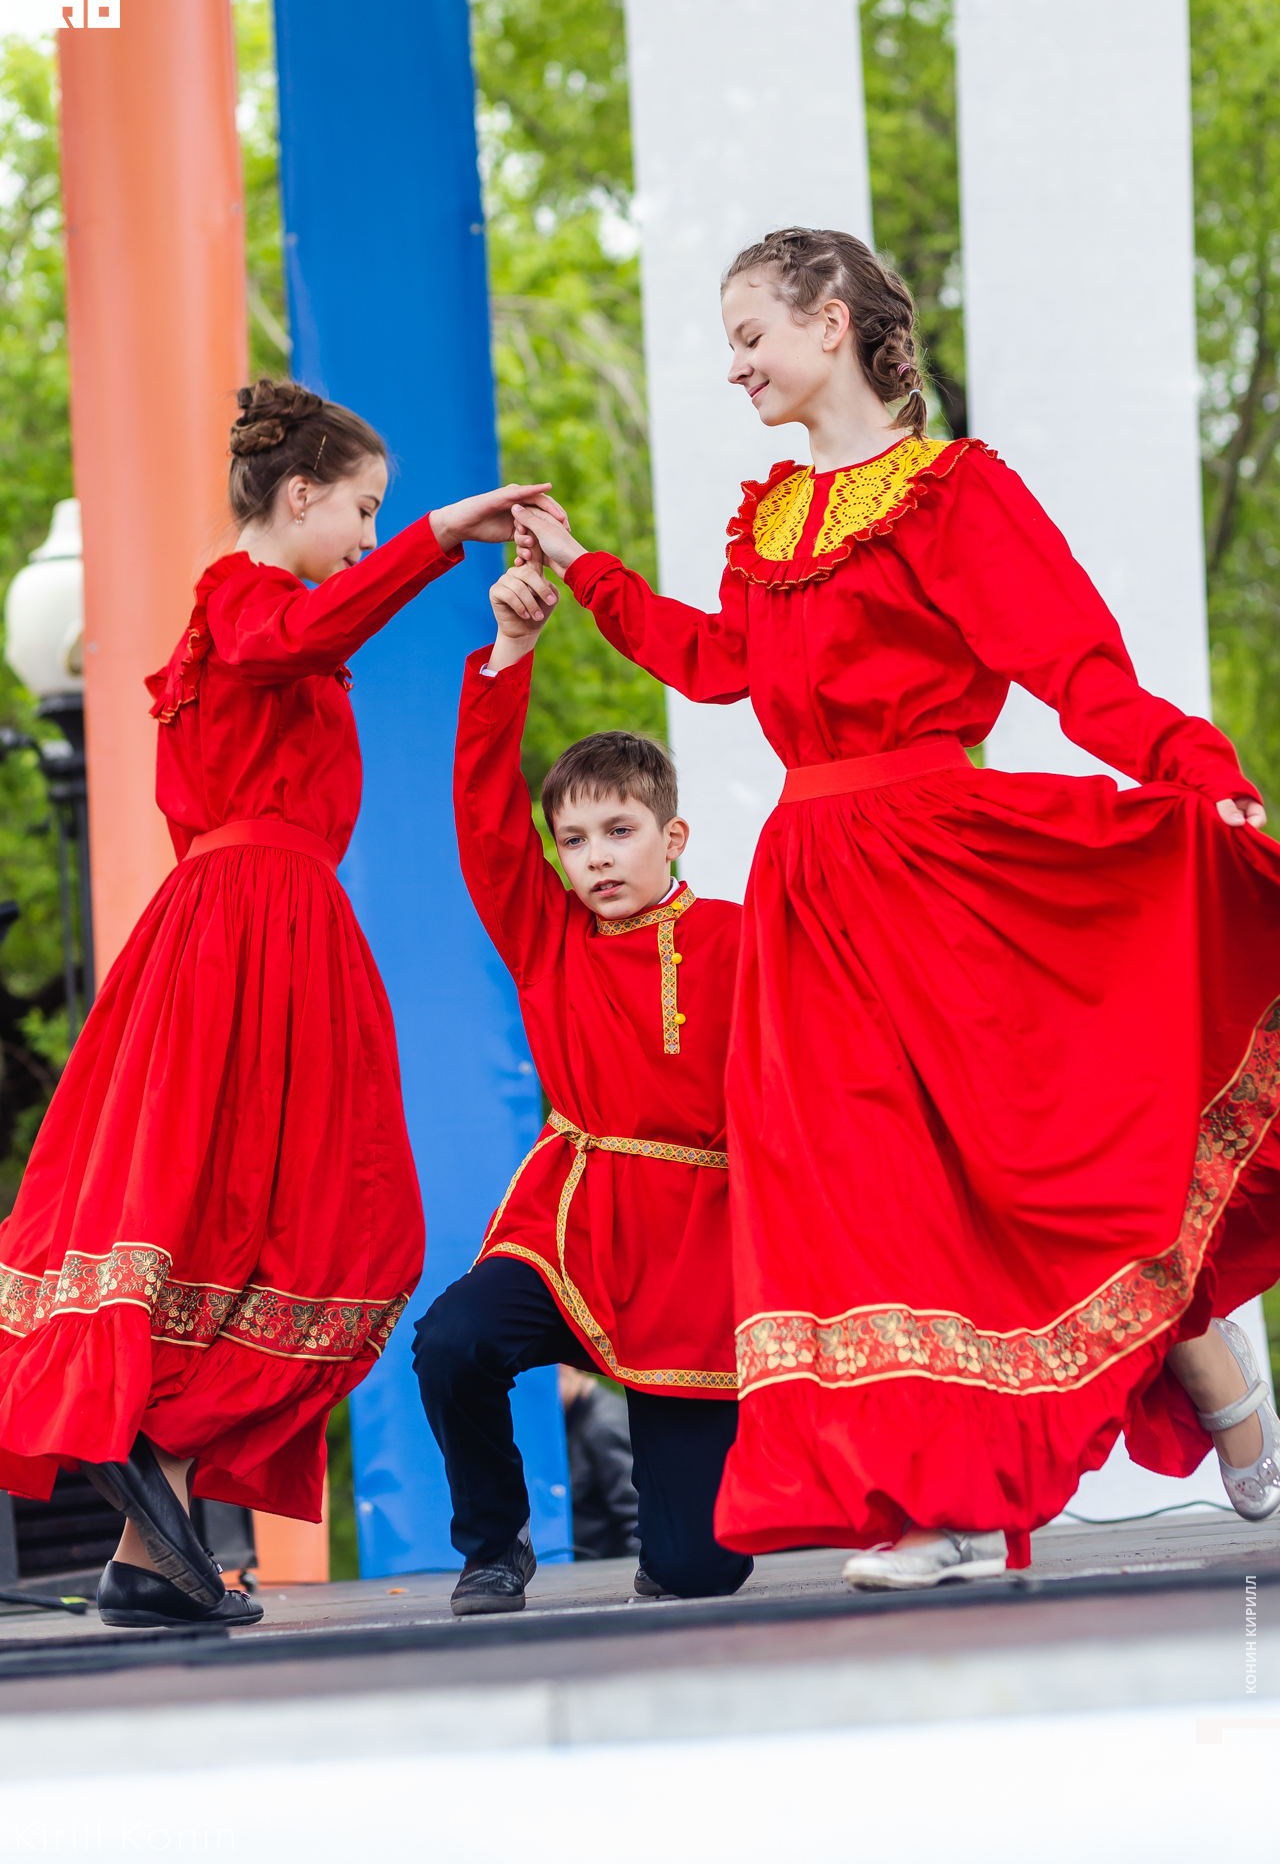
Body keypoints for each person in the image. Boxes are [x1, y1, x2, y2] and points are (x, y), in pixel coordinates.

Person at [511, 227, 1280, 1590]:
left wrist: (1196, 770)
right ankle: (939, 1502)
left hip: (940, 866)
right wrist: (582, 566)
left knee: (1015, 1165)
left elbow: (1076, 666)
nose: (735, 366)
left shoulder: (953, 493)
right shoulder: (770, 522)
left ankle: (1207, 1370)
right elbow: (715, 663)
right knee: (860, 1196)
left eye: (750, 335)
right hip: (811, 885)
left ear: (830, 321)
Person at [0, 378, 564, 1629]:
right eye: (363, 509)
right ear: (298, 495)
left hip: (260, 925)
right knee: (327, 1223)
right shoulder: (239, 597)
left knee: (273, 1222)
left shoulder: (265, 620)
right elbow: (291, 640)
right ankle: (137, 1444)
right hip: (253, 925)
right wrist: (439, 535)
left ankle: (149, 1551)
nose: (370, 533)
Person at [414, 558, 751, 1615]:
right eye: (572, 840)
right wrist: (509, 652)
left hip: (695, 1247)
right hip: (575, 1222)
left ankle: (681, 1544)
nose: (595, 858)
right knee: (453, 1342)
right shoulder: (546, 936)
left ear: (671, 836)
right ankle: (493, 1547)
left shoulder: (744, 939)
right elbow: (483, 814)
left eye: (618, 832)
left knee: (697, 1573)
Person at [559, 1366, 640, 1561]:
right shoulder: (573, 1416)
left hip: (604, 1567)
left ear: (564, 1368)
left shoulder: (605, 1425)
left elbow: (638, 1518)